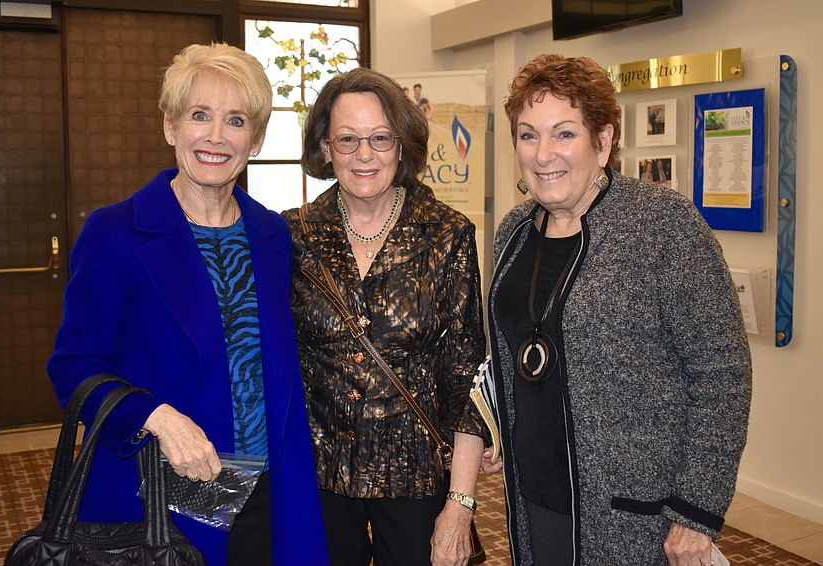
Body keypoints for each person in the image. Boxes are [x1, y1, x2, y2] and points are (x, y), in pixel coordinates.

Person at [47, 42, 328, 566]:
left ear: (258, 137)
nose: (216, 136)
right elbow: (74, 368)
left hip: (268, 488)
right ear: (171, 126)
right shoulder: (115, 234)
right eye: (199, 115)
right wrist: (153, 414)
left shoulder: (271, 234)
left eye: (236, 120)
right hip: (160, 491)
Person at [483, 53, 752, 565]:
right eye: (527, 134)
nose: (543, 155)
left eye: (564, 134)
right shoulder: (514, 233)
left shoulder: (663, 225)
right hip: (533, 497)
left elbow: (722, 374)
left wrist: (696, 511)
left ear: (603, 141)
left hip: (634, 515)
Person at [282, 67, 488, 566]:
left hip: (415, 475)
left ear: (402, 144)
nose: (365, 154)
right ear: (325, 148)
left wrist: (459, 505)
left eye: (379, 137)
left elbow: (466, 375)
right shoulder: (291, 235)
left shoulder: (445, 235)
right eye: (347, 140)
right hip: (317, 476)